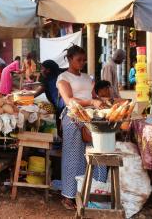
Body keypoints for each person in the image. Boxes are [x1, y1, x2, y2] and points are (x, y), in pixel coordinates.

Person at [56, 45, 107, 210]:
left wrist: (102, 100)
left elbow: (93, 96)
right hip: (73, 117)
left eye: (84, 60)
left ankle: (94, 193)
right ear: (70, 59)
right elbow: (69, 100)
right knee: (74, 156)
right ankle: (68, 196)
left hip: (90, 117)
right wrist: (92, 102)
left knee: (97, 153)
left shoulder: (87, 78)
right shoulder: (63, 77)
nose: (82, 63)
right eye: (79, 60)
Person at [34, 60, 66, 136]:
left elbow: (34, 95)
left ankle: (63, 145)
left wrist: (21, 97)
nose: (41, 71)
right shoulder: (59, 75)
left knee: (61, 131)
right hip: (66, 106)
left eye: (42, 69)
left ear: (48, 70)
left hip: (61, 107)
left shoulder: (48, 80)